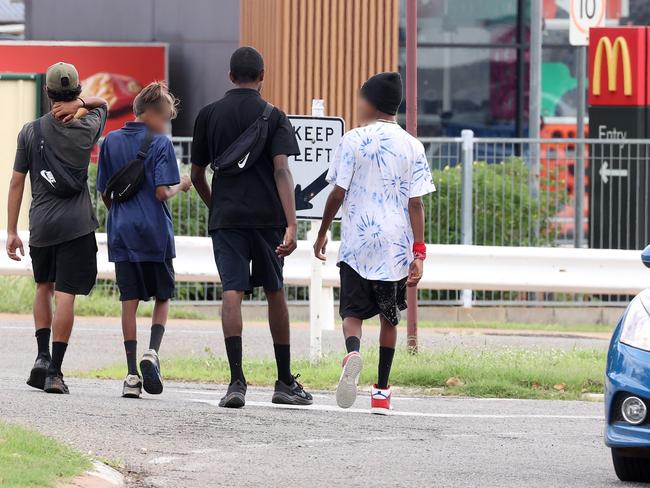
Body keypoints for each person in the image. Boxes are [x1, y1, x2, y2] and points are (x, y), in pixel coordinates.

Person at [191, 46, 312, 408]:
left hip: (226, 219)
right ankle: (284, 382)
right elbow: (281, 171)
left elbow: (197, 175)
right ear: (262, 76)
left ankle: (236, 382)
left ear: (230, 76)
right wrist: (292, 223)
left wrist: (218, 207)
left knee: (233, 290)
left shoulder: (208, 115)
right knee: (275, 290)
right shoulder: (273, 116)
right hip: (267, 219)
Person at [313, 72, 436, 414]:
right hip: (395, 246)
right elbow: (416, 203)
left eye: (360, 97)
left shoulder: (353, 139)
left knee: (352, 313)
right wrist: (419, 252)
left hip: (357, 242)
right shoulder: (413, 145)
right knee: (389, 319)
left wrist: (324, 232)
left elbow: (337, 192)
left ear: (369, 102)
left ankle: (352, 352)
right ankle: (381, 391)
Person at [6, 62, 108, 394]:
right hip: (76, 226)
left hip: (42, 226)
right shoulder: (87, 128)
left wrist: (11, 231)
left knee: (43, 288)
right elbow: (103, 104)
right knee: (65, 296)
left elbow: (17, 184)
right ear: (76, 92)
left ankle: (40, 356)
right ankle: (55, 371)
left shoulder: (30, 131)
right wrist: (80, 105)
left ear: (47, 93)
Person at [97, 82, 191, 398]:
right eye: (164, 118)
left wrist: (121, 216)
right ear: (151, 114)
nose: (165, 124)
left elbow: (105, 192)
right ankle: (152, 352)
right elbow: (162, 191)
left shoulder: (109, 141)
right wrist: (184, 185)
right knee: (163, 295)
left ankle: (130, 375)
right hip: (155, 233)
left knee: (129, 301)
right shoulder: (161, 144)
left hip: (122, 232)